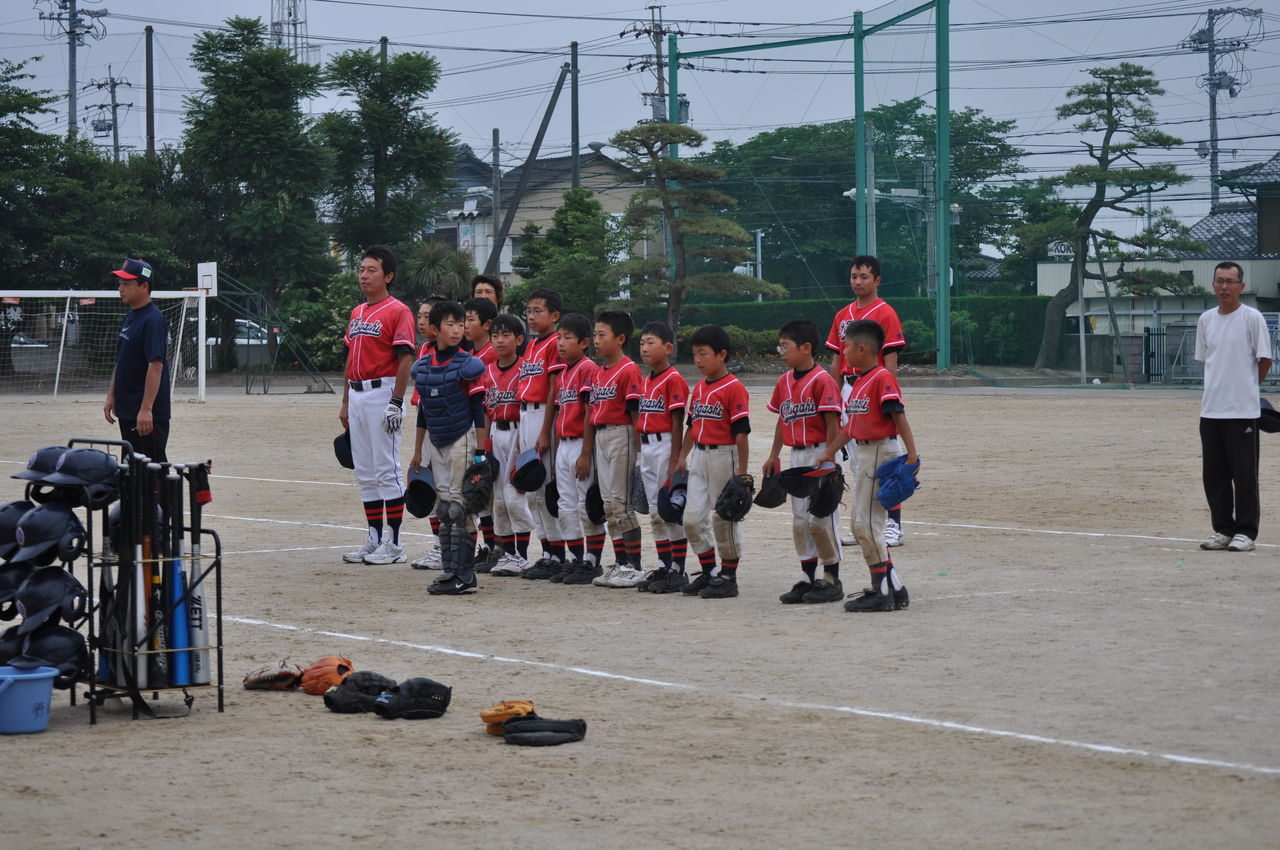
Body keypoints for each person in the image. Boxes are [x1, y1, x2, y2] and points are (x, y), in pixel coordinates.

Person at [818, 319, 917, 612]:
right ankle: (895, 588)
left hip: (879, 452)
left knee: (865, 525)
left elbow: (899, 416)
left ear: (862, 349)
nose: (843, 351)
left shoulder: (882, 378)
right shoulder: (860, 381)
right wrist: (829, 452)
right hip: (864, 452)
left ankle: (881, 591)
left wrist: (912, 457)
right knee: (865, 524)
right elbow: (851, 427)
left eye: (846, 345)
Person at [339, 246, 417, 566]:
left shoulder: (399, 311)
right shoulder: (357, 313)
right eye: (361, 269)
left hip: (383, 391)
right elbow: (349, 358)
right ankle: (373, 538)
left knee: (387, 469)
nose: (364, 275)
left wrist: (396, 401)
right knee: (365, 472)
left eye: (372, 270)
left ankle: (395, 543)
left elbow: (405, 358)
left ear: (388, 276)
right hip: (357, 395)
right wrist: (345, 401)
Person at [825, 255, 908, 547]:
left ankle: (893, 526)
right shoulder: (843, 315)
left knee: (885, 458)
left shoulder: (885, 313)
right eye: (853, 276)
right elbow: (836, 359)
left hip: (874, 387)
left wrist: (887, 395)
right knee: (859, 463)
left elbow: (891, 360)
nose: (857, 281)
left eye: (864, 276)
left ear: (877, 280)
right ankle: (864, 523)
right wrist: (833, 397)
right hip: (848, 389)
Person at [410, 300, 488, 595]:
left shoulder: (468, 364)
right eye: (450, 324)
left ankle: (465, 576)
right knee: (443, 507)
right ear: (434, 329)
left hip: (461, 438)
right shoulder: (424, 367)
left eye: (460, 324)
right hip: (437, 440)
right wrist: (418, 450)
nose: (457, 330)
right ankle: (449, 570)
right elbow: (423, 411)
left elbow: (477, 406)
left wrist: (480, 450)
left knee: (460, 505)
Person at [764, 319, 845, 604]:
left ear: (806, 348)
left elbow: (832, 421)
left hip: (820, 452)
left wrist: (830, 458)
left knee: (821, 519)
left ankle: (832, 578)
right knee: (800, 521)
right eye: (780, 346)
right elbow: (781, 419)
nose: (781, 352)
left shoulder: (823, 380)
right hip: (796, 455)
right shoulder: (784, 381)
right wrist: (774, 455)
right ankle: (810, 579)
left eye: (786, 346)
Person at [1196, 261, 1272, 552]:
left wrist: (1249, 389)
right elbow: (1209, 361)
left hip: (1242, 411)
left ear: (1241, 286)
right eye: (1219, 281)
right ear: (1213, 284)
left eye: (1230, 281)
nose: (1224, 287)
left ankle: (1246, 532)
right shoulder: (1206, 320)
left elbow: (1264, 359)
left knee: (1244, 475)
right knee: (1214, 476)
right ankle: (1223, 529)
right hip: (1211, 411)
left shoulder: (1252, 318)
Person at [674, 325, 752, 599]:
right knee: (692, 519)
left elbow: (741, 433)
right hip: (699, 456)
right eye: (695, 353)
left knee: (724, 518)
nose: (697, 359)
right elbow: (692, 425)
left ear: (722, 355)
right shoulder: (700, 388)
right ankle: (709, 572)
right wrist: (683, 455)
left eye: (703, 353)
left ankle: (728, 576)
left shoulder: (734, 388)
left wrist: (741, 472)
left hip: (724, 455)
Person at [543, 313, 605, 585]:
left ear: (584, 343)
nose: (561, 343)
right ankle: (576, 559)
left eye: (568, 337)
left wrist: (586, 453)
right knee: (565, 504)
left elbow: (591, 412)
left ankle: (592, 561)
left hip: (581, 444)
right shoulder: (564, 372)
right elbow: (558, 414)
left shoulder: (587, 368)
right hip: (564, 445)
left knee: (584, 504)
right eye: (559, 337)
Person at [587, 310, 645, 588]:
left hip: (622, 434)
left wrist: (640, 451)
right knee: (609, 505)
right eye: (595, 335)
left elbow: (635, 413)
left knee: (622, 504)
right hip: (601, 437)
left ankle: (635, 566)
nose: (596, 340)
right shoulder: (600, 372)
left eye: (602, 335)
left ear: (620, 338)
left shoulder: (629, 369)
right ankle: (621, 563)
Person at [634, 321, 690, 593]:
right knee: (656, 513)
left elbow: (678, 422)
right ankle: (664, 566)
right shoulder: (647, 379)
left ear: (668, 348)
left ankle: (678, 569)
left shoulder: (673, 379)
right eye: (642, 343)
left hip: (665, 445)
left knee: (669, 511)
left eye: (651, 343)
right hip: (647, 448)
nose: (644, 348)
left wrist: (675, 459)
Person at [480, 314, 536, 575]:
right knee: (499, 500)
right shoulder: (488, 371)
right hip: (497, 435)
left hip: (518, 433)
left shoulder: (526, 368)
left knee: (514, 496)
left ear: (519, 339)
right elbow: (486, 412)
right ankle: (508, 553)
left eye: (506, 335)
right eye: (495, 335)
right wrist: (485, 448)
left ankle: (522, 555)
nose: (500, 340)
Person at [517, 288, 566, 572]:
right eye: (529, 311)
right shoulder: (532, 346)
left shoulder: (553, 344)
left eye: (538, 311)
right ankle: (547, 552)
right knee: (532, 491)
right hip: (526, 415)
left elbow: (553, 390)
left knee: (546, 487)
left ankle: (558, 554)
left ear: (554, 316)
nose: (532, 316)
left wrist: (545, 431)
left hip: (541, 417)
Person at [103, 258, 171, 463]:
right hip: (128, 409)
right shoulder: (131, 317)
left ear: (144, 286)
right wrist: (111, 395)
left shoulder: (153, 319)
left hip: (145, 413)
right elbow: (121, 361)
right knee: (132, 471)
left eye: (126, 284)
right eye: (120, 284)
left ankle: (161, 497)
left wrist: (146, 409)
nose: (120, 289)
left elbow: (155, 366)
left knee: (152, 472)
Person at [463, 296, 500, 569]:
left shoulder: (491, 355)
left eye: (470, 319)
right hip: (473, 429)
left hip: (488, 429)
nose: (465, 325)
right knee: (480, 495)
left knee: (491, 493)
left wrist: (482, 442)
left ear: (487, 325)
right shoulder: (472, 355)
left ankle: (498, 547)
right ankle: (488, 547)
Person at [410, 295, 446, 570]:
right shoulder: (423, 351)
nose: (422, 322)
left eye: (428, 316)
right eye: (420, 316)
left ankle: (451, 547)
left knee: (450, 490)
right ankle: (438, 545)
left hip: (449, 429)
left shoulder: (456, 353)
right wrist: (417, 447)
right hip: (428, 425)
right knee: (430, 487)